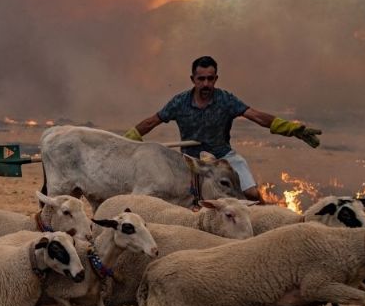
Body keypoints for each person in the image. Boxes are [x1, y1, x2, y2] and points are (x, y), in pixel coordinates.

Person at [124, 55, 321, 203]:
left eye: (210, 79)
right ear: (192, 79)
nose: (206, 84)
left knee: (251, 196)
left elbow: (256, 116)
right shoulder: (179, 102)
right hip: (193, 165)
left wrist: (290, 129)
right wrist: (128, 140)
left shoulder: (225, 99)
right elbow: (152, 121)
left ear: (216, 78)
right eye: (201, 79)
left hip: (224, 158)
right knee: (184, 204)